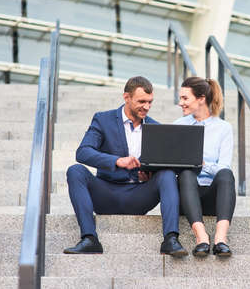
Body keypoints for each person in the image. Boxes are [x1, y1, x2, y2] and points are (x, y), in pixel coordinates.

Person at [64, 76, 188, 257]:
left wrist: (151, 174)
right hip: (106, 193)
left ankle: (170, 239)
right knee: (75, 171)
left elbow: (163, 166)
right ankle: (89, 239)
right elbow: (83, 152)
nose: (146, 107)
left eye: (150, 102)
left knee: (167, 174)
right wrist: (116, 161)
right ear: (126, 97)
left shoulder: (155, 127)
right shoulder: (103, 119)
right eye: (141, 101)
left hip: (138, 196)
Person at [174, 76, 236, 257]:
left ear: (201, 98)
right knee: (186, 173)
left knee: (225, 174)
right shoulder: (178, 126)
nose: (180, 103)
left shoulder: (223, 128)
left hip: (213, 197)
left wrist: (202, 164)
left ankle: (221, 239)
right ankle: (201, 238)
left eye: (185, 98)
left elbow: (224, 166)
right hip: (186, 196)